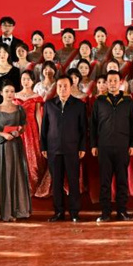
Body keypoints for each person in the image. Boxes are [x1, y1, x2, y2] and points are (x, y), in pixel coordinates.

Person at [90, 71, 133, 222]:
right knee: (105, 182)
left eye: (115, 80)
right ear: (106, 83)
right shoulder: (100, 101)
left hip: (123, 147)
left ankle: (122, 211)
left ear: (120, 82)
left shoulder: (128, 101)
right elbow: (93, 125)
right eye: (109, 81)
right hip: (104, 147)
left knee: (122, 181)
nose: (112, 83)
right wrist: (94, 145)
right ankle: (105, 212)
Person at [0, 81, 32, 221]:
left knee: (16, 173)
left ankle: (17, 209)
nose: (10, 94)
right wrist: (3, 134)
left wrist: (18, 132)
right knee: (1, 173)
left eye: (12, 91)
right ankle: (0, 209)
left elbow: (23, 126)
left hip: (15, 145)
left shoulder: (20, 109)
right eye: (7, 91)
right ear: (1, 93)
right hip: (1, 146)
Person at [41, 75, 87, 222]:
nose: (62, 88)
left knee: (73, 182)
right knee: (56, 183)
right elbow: (44, 128)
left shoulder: (79, 105)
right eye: (60, 86)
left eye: (65, 86)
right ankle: (59, 212)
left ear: (71, 86)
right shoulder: (49, 105)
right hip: (53, 150)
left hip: (72, 149)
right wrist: (44, 146)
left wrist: (82, 147)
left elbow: (83, 129)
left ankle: (74, 213)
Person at [14, 70, 49, 197]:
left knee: (33, 155)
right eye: (23, 79)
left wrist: (40, 132)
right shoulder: (15, 95)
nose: (26, 81)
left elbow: (38, 115)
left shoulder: (36, 97)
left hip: (32, 128)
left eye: (28, 79)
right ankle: (20, 186)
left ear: (33, 81)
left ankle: (33, 184)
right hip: (18, 128)